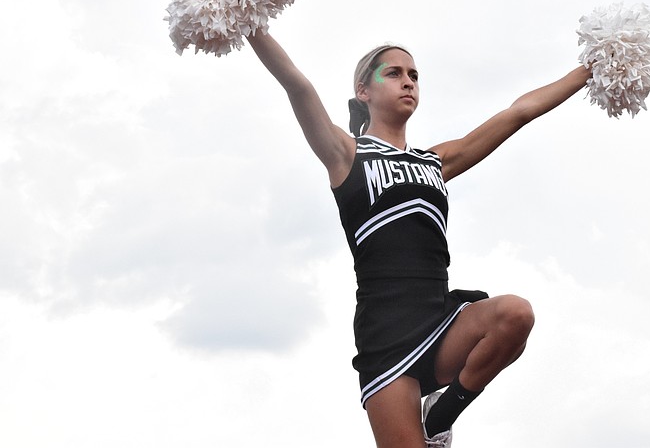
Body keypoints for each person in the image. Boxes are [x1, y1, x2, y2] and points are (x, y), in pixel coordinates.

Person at [247, 31, 592, 447]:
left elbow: (519, 112)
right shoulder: (345, 154)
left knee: (515, 314)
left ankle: (441, 416)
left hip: (441, 320)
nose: (408, 81)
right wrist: (252, 25)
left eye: (413, 74)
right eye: (393, 73)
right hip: (385, 335)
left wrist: (592, 68)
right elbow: (296, 83)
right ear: (364, 91)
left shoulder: (436, 161)